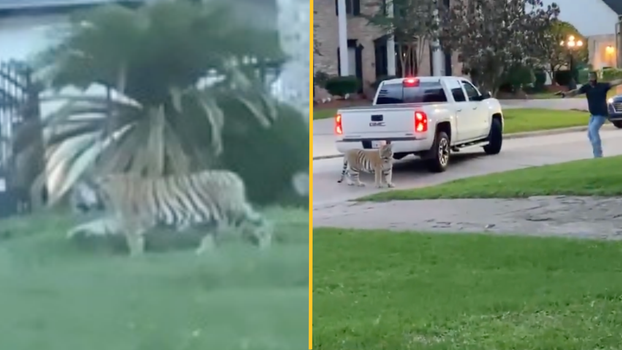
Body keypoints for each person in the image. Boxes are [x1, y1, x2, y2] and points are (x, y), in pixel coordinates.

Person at [557, 72, 622, 158]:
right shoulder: (586, 87)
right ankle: (596, 149)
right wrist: (565, 94)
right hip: (593, 115)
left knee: (593, 130)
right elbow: (576, 92)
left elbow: (613, 83)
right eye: (589, 78)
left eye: (592, 78)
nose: (591, 80)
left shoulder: (602, 86)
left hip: (601, 114)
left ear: (596, 78)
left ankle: (598, 155)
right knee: (590, 134)